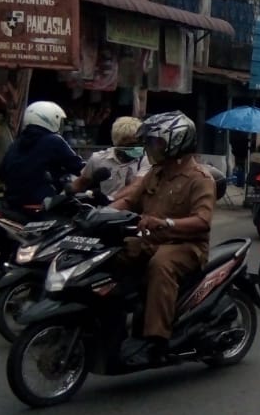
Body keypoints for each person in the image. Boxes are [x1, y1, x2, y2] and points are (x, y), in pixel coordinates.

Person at [111, 112, 215, 366]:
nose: (150, 148)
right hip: (149, 240)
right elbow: (130, 200)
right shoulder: (156, 172)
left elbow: (203, 221)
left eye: (156, 142)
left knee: (161, 265)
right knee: (113, 254)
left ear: (176, 142)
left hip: (186, 246)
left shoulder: (200, 179)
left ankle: (156, 339)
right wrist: (101, 212)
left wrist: (165, 223)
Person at [0, 101, 85, 213]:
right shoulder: (54, 141)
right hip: (41, 206)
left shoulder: (17, 143)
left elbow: (1, 173)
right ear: (50, 119)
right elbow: (78, 167)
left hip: (12, 205)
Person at [74, 116, 147, 198]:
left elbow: (136, 186)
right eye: (131, 145)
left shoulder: (146, 159)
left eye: (139, 144)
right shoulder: (98, 159)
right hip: (102, 209)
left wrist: (110, 199)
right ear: (118, 143)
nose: (137, 148)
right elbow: (82, 182)